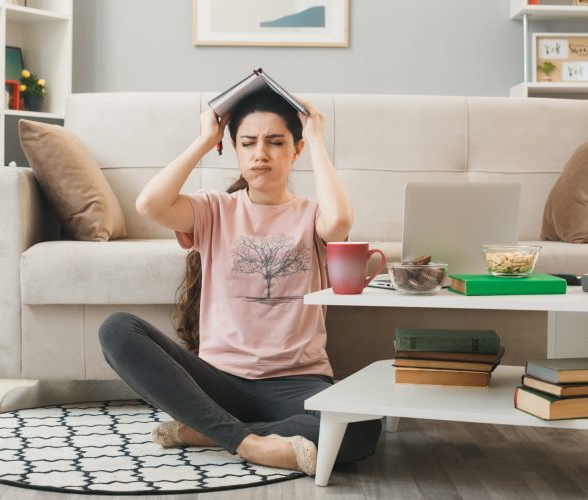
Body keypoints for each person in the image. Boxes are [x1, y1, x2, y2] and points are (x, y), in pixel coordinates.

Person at [98, 89, 381, 475]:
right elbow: (150, 205)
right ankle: (249, 443)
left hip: (298, 383)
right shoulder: (214, 209)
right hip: (220, 381)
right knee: (117, 330)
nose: (260, 153)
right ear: (234, 149)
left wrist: (315, 138)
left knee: (362, 427)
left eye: (275, 142)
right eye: (247, 143)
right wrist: (203, 140)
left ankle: (209, 432)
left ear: (295, 151)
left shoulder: (313, 215)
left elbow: (340, 223)